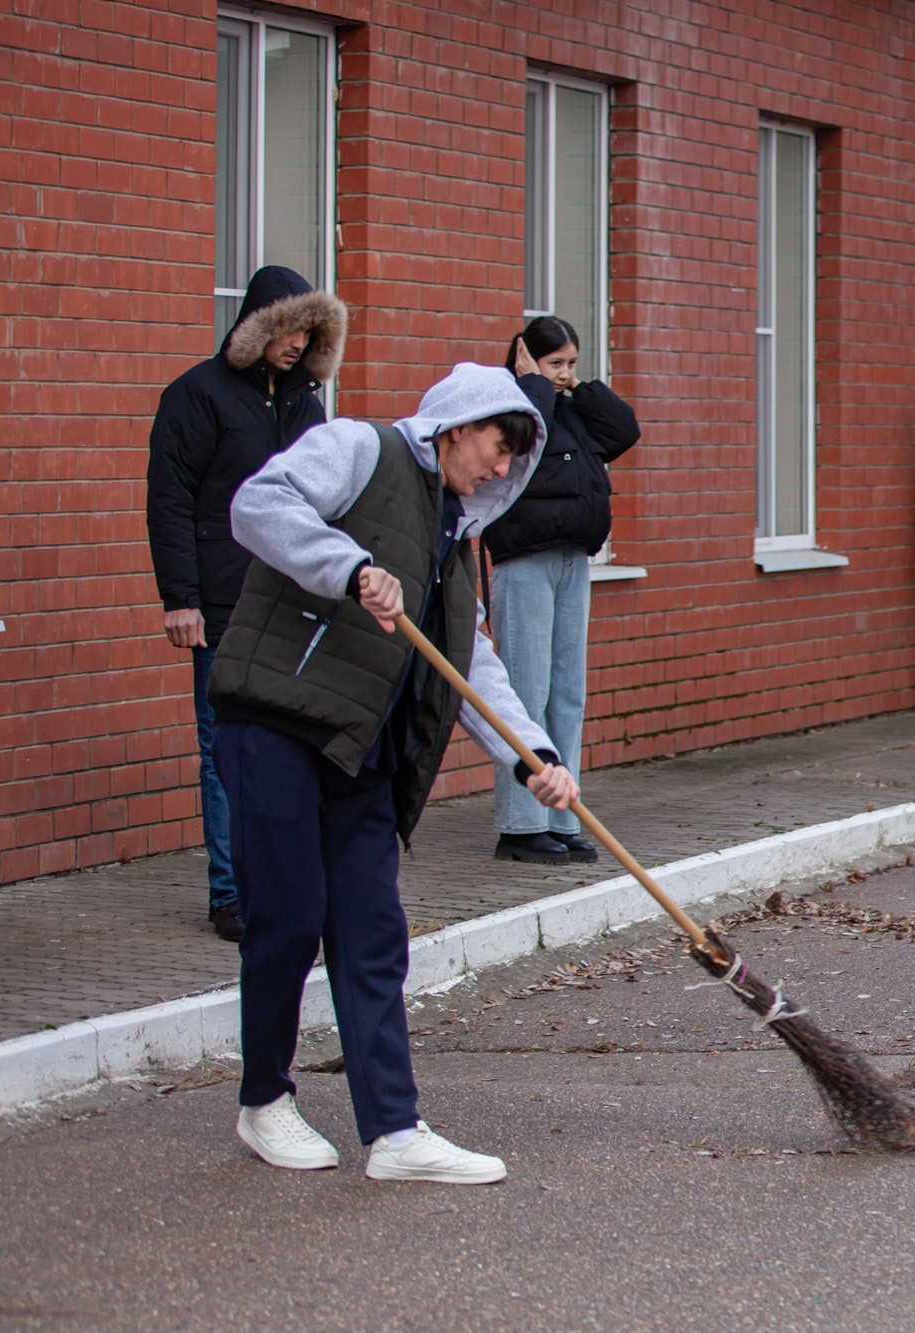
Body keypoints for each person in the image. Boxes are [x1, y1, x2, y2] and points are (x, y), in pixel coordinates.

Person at [208, 363, 579, 1185]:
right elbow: (257, 505)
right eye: (496, 444)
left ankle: (395, 1130)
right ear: (455, 425)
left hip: (364, 753)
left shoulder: (453, 545)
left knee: (373, 933)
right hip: (277, 720)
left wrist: (537, 756)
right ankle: (263, 1100)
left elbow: (469, 662)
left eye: (516, 455)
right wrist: (345, 566)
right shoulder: (359, 450)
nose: (502, 466)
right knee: (292, 914)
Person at [147, 266, 347, 941]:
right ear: (258, 324)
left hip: (293, 605)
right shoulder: (195, 397)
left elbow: (327, 500)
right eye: (287, 328)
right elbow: (170, 504)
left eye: (307, 331)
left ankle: (279, 886)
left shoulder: (304, 403)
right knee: (223, 750)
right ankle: (231, 893)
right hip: (224, 603)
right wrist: (182, 598)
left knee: (287, 749)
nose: (297, 343)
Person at [480, 317, 641, 865]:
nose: (564, 375)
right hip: (525, 564)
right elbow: (523, 446)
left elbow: (624, 431)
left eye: (572, 364)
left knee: (568, 694)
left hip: (575, 560)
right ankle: (521, 826)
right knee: (527, 692)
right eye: (555, 365)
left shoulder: (573, 408)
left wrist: (580, 388)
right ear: (526, 360)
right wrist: (532, 388)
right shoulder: (514, 407)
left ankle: (561, 816)